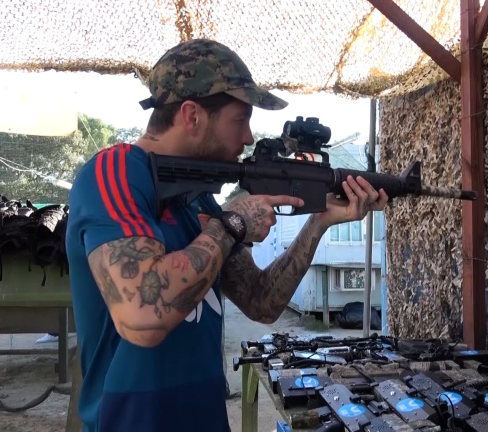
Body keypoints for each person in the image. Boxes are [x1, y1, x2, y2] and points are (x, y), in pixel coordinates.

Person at [65, 38, 388, 432]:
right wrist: (232, 224)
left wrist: (318, 223)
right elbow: (142, 317)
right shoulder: (113, 175)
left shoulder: (197, 199)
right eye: (240, 120)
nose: (248, 137)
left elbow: (261, 302)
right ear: (192, 115)